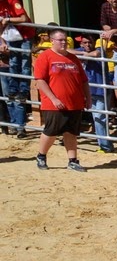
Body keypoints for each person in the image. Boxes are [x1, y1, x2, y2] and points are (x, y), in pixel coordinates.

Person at [31, 28, 88, 172]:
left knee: (71, 132)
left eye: (65, 40)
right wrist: (54, 98)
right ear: (52, 41)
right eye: (60, 40)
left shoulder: (73, 58)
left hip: (74, 102)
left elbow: (83, 81)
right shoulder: (45, 57)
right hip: (54, 103)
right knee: (51, 131)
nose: (63, 42)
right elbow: (40, 81)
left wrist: (88, 97)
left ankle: (72, 160)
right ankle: (41, 156)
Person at [1, 0, 36, 137]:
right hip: (10, 36)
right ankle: (15, 88)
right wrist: (2, 39)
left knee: (25, 64)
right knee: (15, 62)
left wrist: (8, 20)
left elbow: (23, 18)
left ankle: (23, 89)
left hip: (24, 35)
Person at [74, 33, 114, 153]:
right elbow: (67, 51)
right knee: (97, 118)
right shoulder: (81, 50)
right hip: (90, 91)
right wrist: (83, 54)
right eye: (85, 43)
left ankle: (106, 146)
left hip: (102, 91)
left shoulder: (100, 49)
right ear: (81, 43)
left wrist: (83, 55)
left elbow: (96, 54)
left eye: (89, 42)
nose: (87, 45)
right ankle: (104, 144)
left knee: (99, 118)